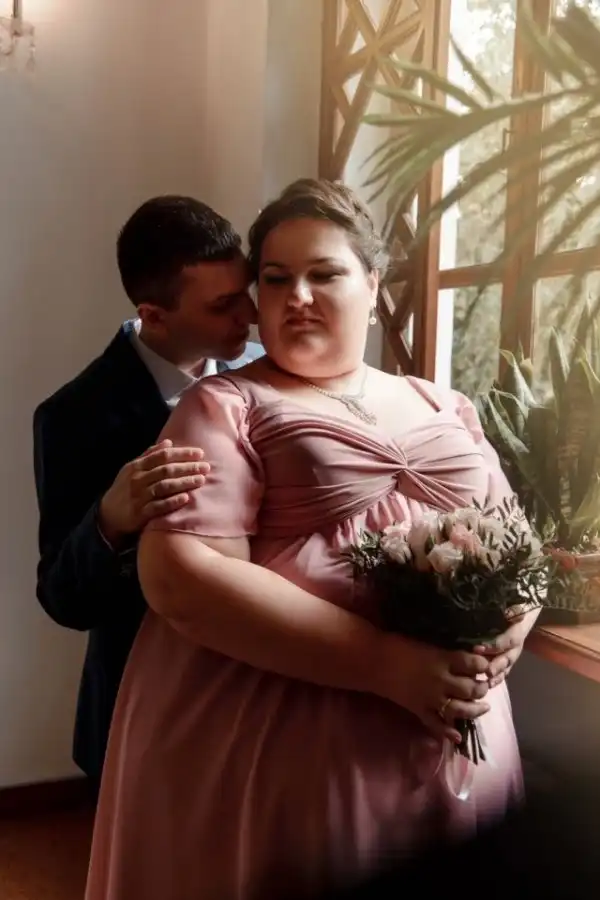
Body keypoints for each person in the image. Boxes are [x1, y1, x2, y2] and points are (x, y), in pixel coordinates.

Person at [84, 179, 537, 900]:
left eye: (323, 274)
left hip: (462, 732)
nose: (297, 296)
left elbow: (519, 541)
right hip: (295, 744)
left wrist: (511, 630)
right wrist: (386, 665)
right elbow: (181, 573)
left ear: (373, 286)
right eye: (275, 279)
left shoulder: (442, 402)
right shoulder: (224, 404)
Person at [33, 196, 262, 787]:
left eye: (246, 292)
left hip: (264, 703)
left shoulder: (271, 371)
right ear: (154, 315)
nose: (252, 316)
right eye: (223, 306)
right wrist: (108, 520)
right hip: (143, 719)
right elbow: (61, 599)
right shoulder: (72, 417)